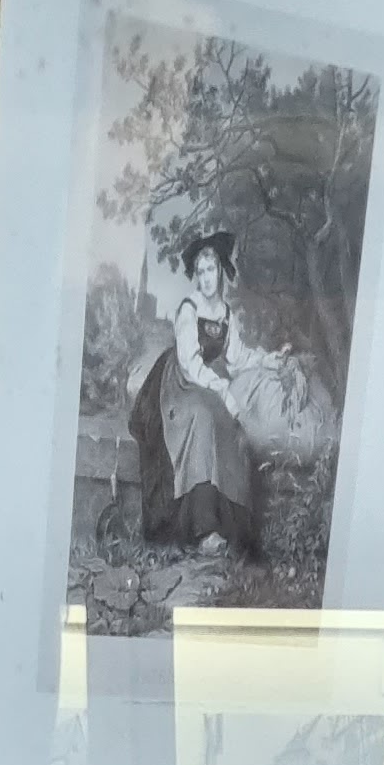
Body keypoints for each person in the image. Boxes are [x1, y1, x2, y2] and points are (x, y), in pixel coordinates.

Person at [128, 232, 258, 558]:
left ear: (222, 271)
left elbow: (238, 358)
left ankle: (231, 527)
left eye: (211, 270)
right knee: (202, 416)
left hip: (205, 383)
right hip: (176, 384)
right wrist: (223, 389)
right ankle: (202, 529)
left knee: (228, 423)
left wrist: (269, 360)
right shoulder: (189, 309)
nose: (206, 278)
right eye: (200, 272)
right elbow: (189, 363)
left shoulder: (225, 314)